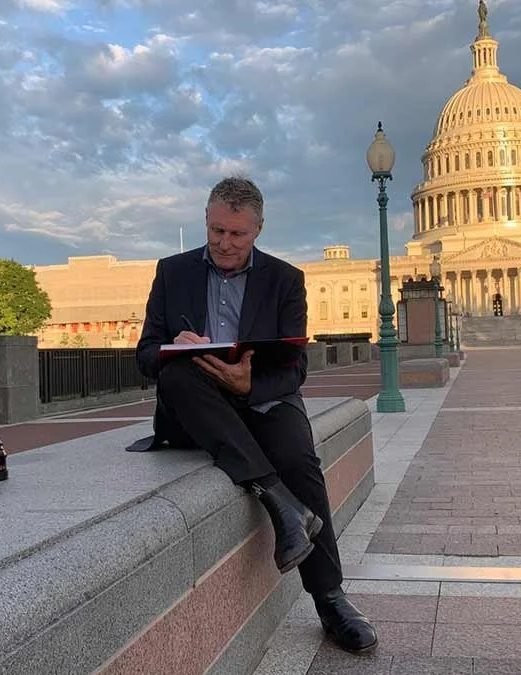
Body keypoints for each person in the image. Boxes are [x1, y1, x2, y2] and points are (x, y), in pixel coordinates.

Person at [134, 176, 378, 654]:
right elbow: (144, 356)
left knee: (299, 458)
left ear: (258, 229)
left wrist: (248, 384)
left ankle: (330, 598)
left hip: (261, 399)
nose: (224, 243)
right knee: (177, 374)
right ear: (206, 221)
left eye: (237, 234)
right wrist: (171, 347)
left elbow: (295, 369)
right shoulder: (172, 272)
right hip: (196, 408)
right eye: (216, 231)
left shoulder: (285, 280)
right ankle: (278, 499)